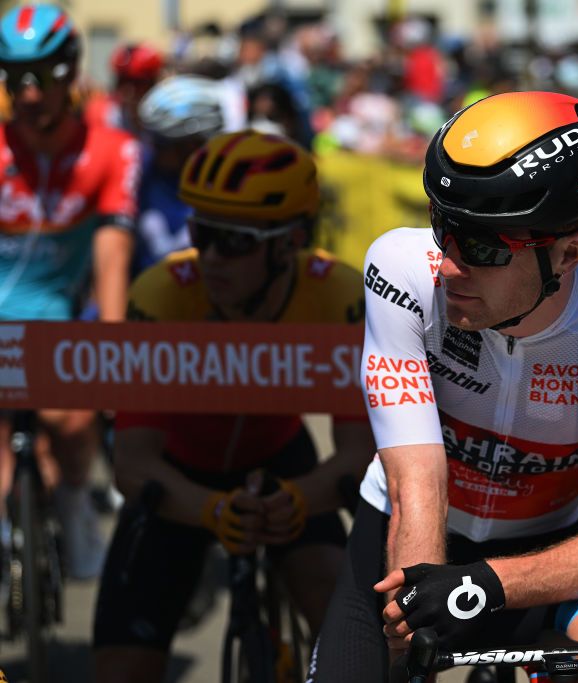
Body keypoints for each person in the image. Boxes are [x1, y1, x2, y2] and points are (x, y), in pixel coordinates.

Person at [310, 91, 578, 682]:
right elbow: (417, 482)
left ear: (568, 251)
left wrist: (482, 582)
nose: (450, 265)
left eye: (483, 245)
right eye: (445, 228)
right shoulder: (400, 270)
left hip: (542, 551)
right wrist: (419, 605)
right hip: (401, 526)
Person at [92, 130, 375, 683]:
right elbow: (132, 461)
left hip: (280, 464)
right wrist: (210, 510)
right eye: (203, 233)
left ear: (289, 240)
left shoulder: (337, 296)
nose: (211, 258)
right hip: (177, 471)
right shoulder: (163, 295)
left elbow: (361, 451)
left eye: (235, 241)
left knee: (347, 632)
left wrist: (298, 499)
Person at [0, 3, 140, 579]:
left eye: (43, 77)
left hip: (54, 316)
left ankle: (78, 508)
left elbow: (112, 258)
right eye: (14, 79)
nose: (28, 94)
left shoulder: (113, 149)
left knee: (75, 421)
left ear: (72, 71)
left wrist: (112, 349)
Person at [133, 74, 226, 273]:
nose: (152, 151)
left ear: (192, 145)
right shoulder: (143, 174)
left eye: (160, 143)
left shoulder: (225, 192)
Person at [84, 42, 164, 135]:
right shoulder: (99, 115)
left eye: (137, 83)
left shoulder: (164, 121)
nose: (129, 91)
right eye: (122, 81)